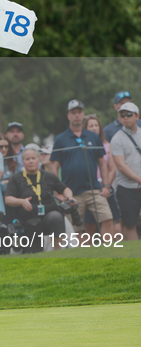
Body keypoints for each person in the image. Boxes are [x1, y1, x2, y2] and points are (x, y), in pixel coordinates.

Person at [50, 100, 114, 242]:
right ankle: (81, 255)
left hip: (94, 189)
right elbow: (54, 166)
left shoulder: (93, 137)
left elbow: (102, 163)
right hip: (71, 192)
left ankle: (108, 250)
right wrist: (58, 192)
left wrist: (106, 185)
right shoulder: (61, 139)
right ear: (68, 116)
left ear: (83, 114)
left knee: (108, 218)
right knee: (76, 228)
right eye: (73, 113)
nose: (77, 116)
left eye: (79, 112)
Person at [5, 144, 73, 253]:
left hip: (48, 215)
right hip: (28, 219)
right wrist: (22, 202)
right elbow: (8, 199)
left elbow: (65, 189)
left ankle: (58, 252)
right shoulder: (16, 178)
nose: (31, 161)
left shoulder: (48, 176)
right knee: (33, 248)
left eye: (33, 158)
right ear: (23, 161)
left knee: (56, 217)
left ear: (39, 160)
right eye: (27, 159)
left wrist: (70, 198)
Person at [83, 114, 121, 235]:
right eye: (91, 126)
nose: (94, 128)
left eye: (96, 125)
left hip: (105, 187)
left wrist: (106, 186)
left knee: (112, 219)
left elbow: (112, 169)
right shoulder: (83, 147)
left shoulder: (107, 145)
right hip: (89, 188)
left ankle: (111, 248)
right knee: (89, 223)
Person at [110, 102, 141, 241]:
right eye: (122, 115)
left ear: (137, 116)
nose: (125, 117)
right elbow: (120, 165)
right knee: (130, 224)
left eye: (129, 114)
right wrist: (139, 179)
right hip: (127, 188)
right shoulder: (117, 138)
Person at [0, 134, 18, 199]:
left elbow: (18, 184)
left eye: (6, 146)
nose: (4, 149)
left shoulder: (15, 164)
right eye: (0, 147)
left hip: (13, 198)